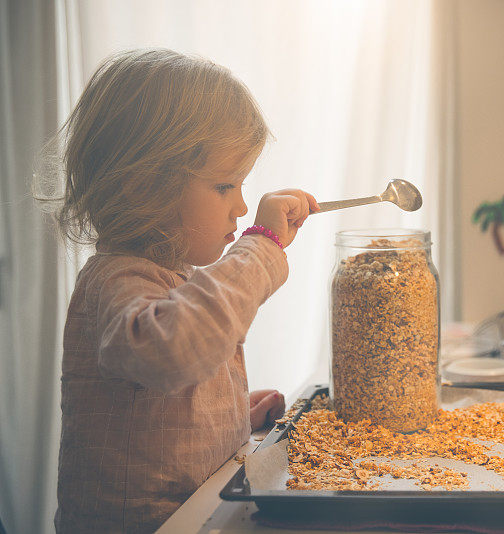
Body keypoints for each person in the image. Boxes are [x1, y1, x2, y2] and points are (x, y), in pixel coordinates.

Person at [42, 48, 318, 533]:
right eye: (223, 186)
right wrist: (262, 247)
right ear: (142, 187)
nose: (241, 206)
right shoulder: (115, 278)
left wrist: (225, 410)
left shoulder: (179, 277)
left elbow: (162, 393)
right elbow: (172, 349)